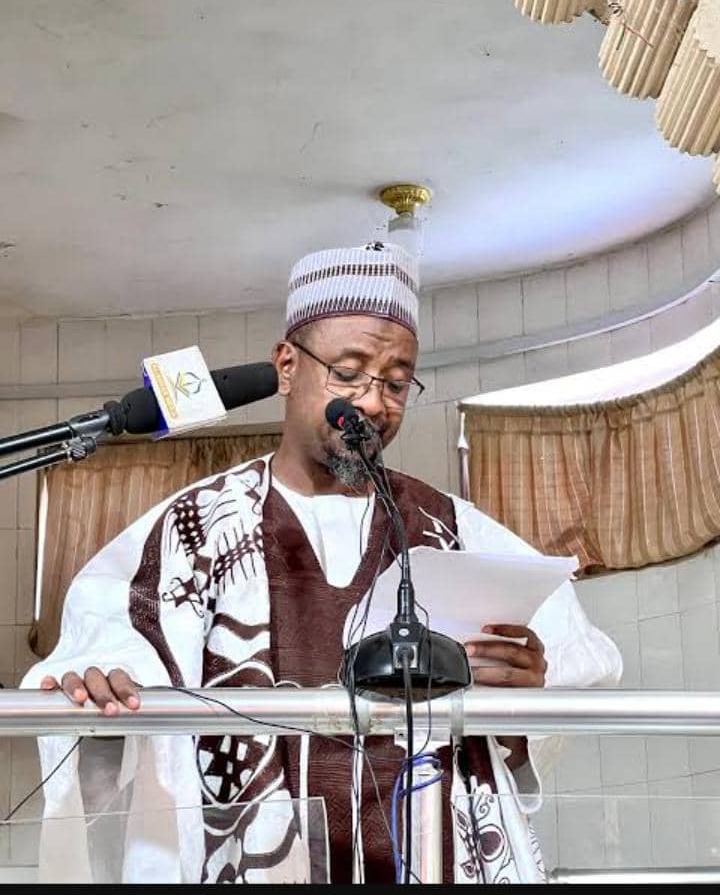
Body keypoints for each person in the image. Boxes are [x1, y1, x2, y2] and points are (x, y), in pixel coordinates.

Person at [23, 242, 621, 884]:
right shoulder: (196, 528)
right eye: (349, 372)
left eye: (396, 383)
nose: (373, 403)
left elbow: (569, 680)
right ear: (287, 366)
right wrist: (104, 694)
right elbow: (111, 669)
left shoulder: (453, 529)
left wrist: (523, 699)